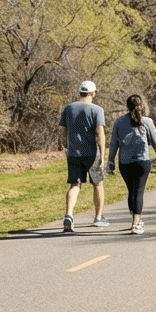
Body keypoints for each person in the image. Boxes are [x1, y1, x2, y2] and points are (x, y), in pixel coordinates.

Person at [105, 94, 156, 234]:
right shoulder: (147, 121)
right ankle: (136, 223)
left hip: (125, 163)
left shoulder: (119, 122)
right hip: (142, 161)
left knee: (132, 191)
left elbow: (114, 143)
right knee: (138, 191)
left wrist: (111, 161)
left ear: (127, 107)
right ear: (142, 106)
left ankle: (135, 218)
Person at [58, 80, 108, 231]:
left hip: (74, 153)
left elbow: (64, 132)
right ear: (93, 93)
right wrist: (103, 155)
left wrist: (66, 145)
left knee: (75, 185)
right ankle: (98, 217)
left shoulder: (68, 108)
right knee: (98, 184)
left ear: (80, 93)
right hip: (91, 154)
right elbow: (100, 133)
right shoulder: (97, 110)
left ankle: (69, 215)